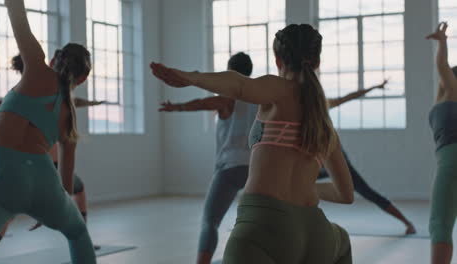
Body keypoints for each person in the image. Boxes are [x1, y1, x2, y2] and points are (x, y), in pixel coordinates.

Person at [151, 24, 354, 264]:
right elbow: (346, 194)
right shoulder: (324, 125)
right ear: (317, 61)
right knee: (341, 239)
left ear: (278, 60)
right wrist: (307, 188)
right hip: (316, 233)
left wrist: (192, 77)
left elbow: (239, 84)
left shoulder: (280, 89)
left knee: (212, 221)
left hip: (263, 228)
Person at [0, 1, 96, 263]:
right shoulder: (69, 116)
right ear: (82, 79)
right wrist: (54, 207)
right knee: (77, 233)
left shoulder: (35, 66)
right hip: (42, 180)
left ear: (53, 59)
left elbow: (16, 13)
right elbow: (66, 180)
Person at [160, 52, 257, 264]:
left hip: (229, 168)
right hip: (255, 170)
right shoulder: (259, 100)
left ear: (230, 72)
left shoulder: (228, 98)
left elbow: (204, 103)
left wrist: (177, 107)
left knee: (210, 222)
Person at [318, 80, 416, 235]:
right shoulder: (301, 113)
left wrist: (375, 87)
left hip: (337, 162)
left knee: (367, 192)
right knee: (296, 184)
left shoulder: (324, 105)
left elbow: (351, 96)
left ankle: (407, 223)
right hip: (318, 164)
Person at [427, 21, 457, 264]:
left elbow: (442, 65)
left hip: (452, 162)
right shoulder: (444, 99)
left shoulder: (452, 90)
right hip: (449, 160)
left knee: (440, 224)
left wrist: (442, 42)